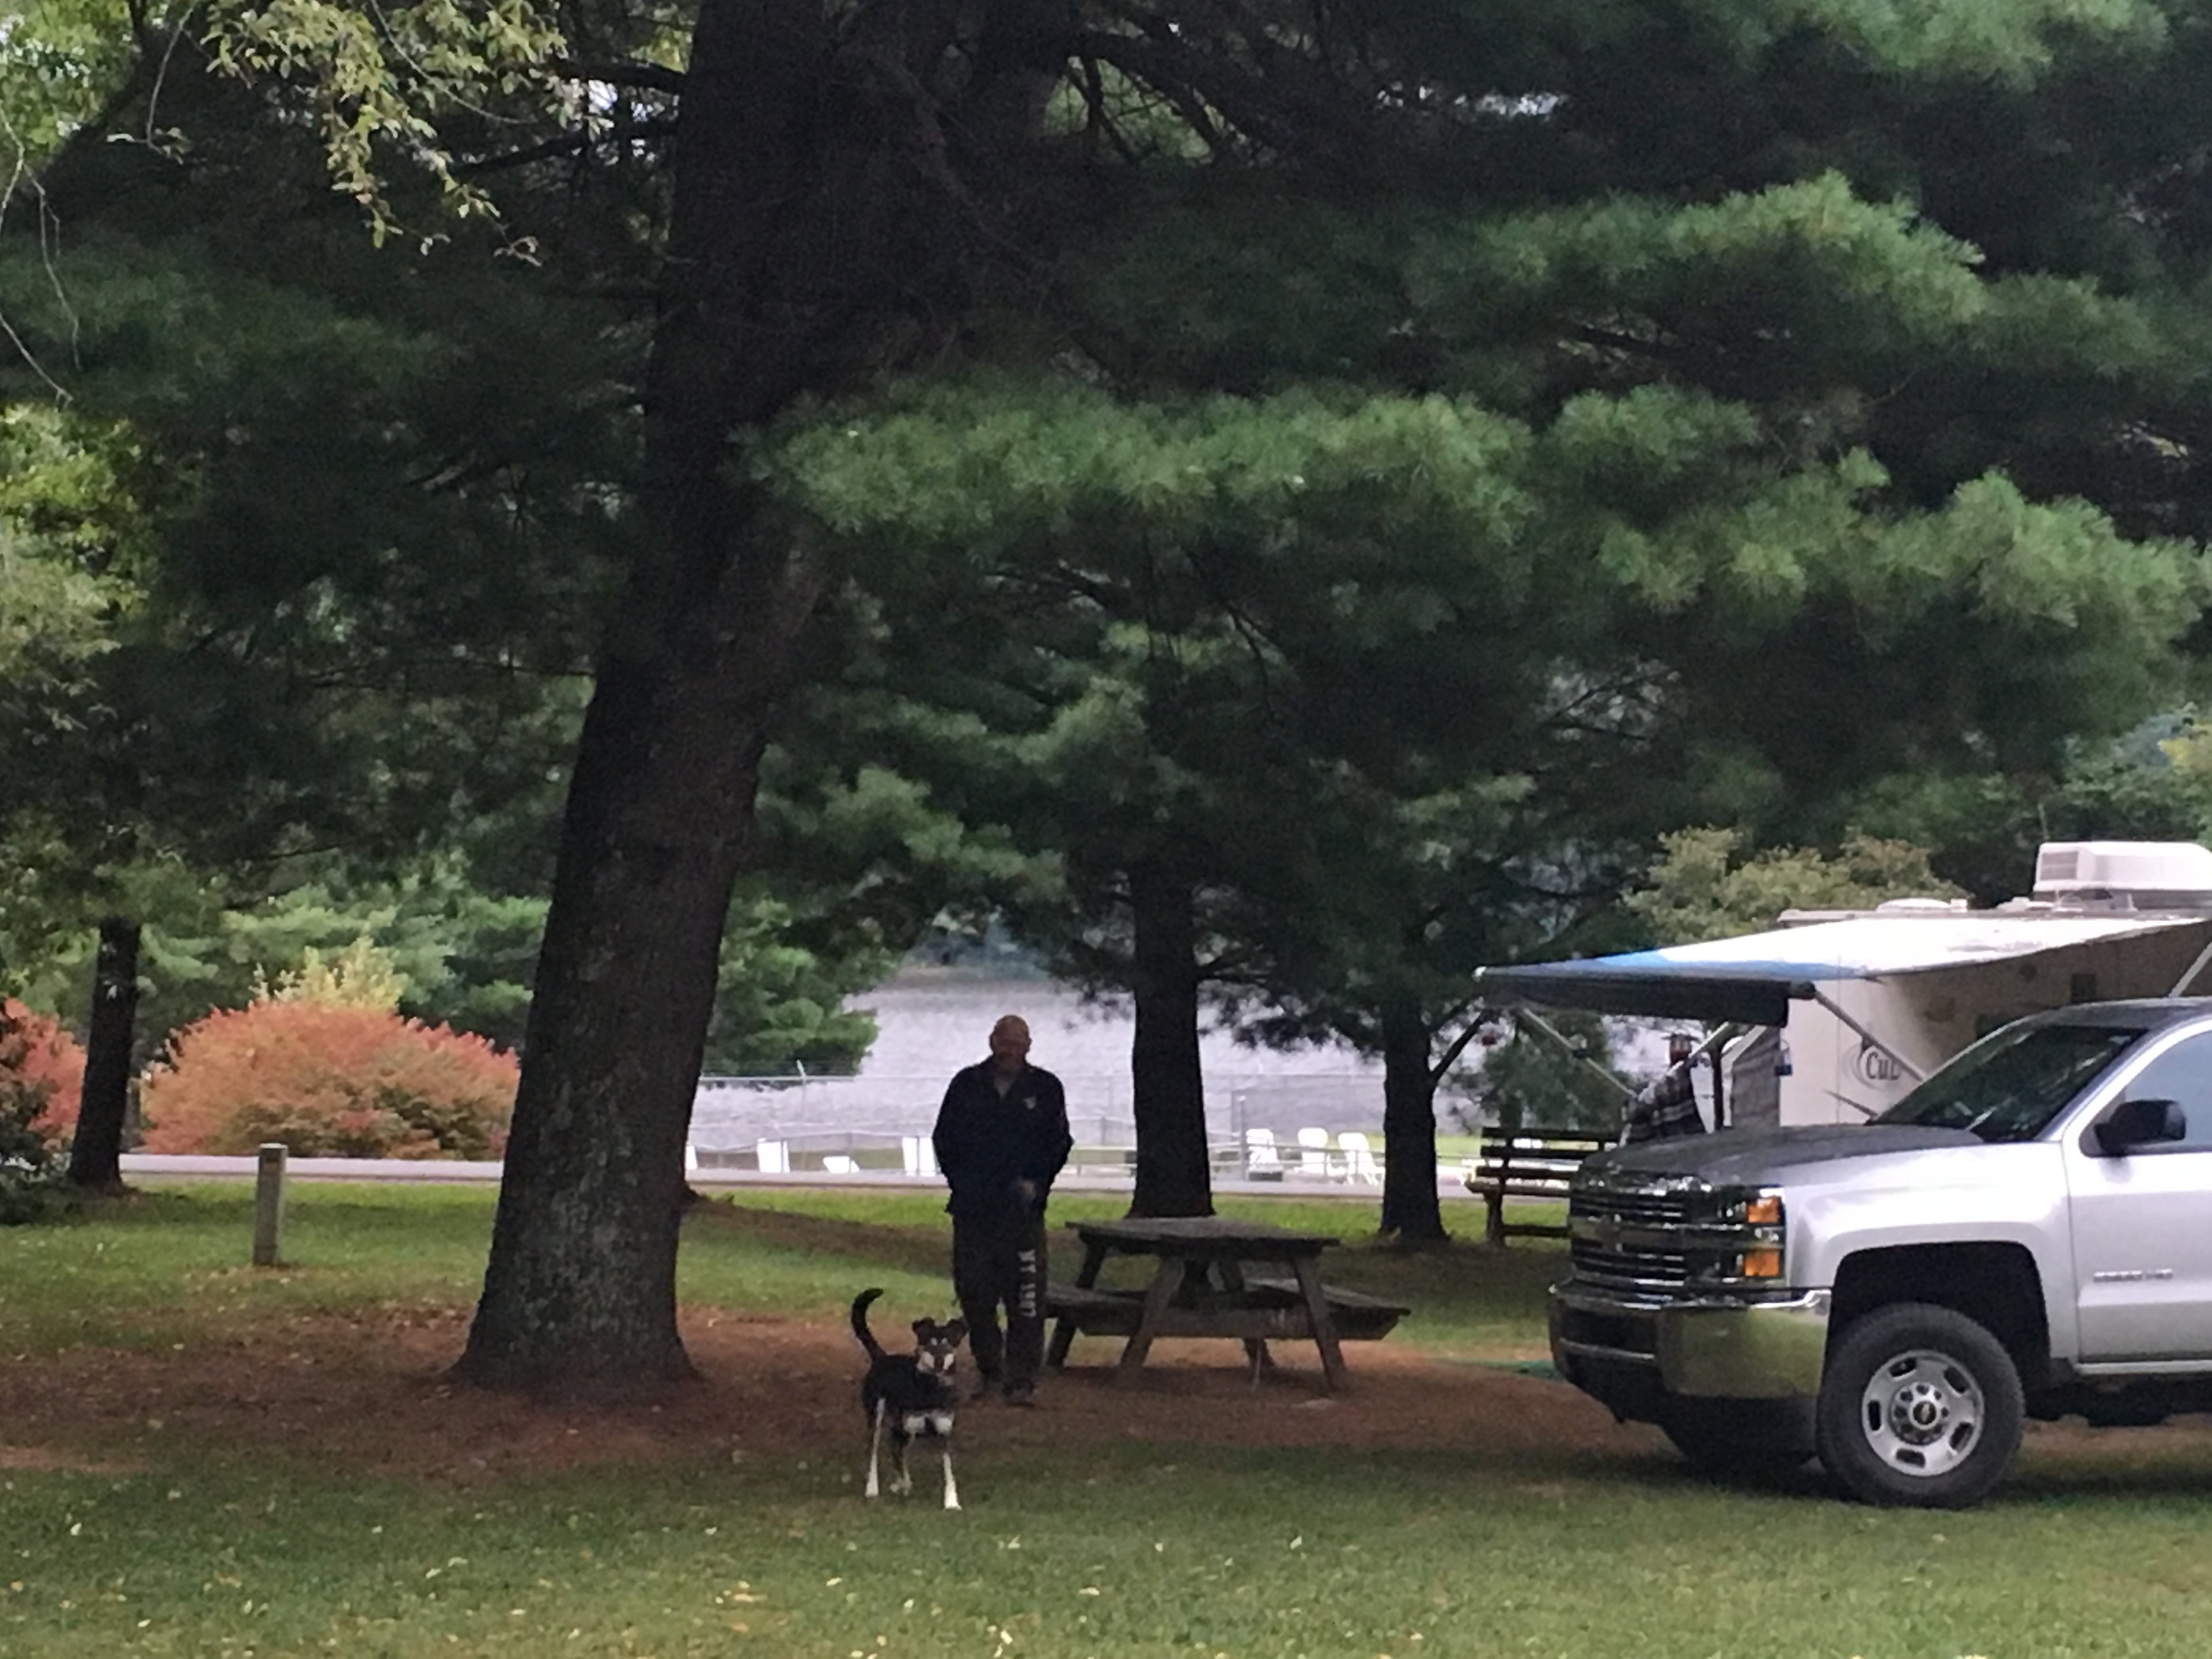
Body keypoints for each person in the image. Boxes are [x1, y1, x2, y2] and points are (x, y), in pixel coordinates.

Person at [931, 1014, 1074, 1407]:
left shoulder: (1045, 1088)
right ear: (992, 1041)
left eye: (1018, 1042)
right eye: (1003, 1041)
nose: (1009, 1049)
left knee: (1026, 1299)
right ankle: (990, 1372)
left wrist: (1037, 1181)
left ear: (1029, 1045)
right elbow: (944, 1140)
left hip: (1023, 1214)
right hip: (974, 1212)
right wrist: (962, 1183)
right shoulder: (967, 1085)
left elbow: (1058, 1143)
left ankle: (1023, 1380)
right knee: (976, 1295)